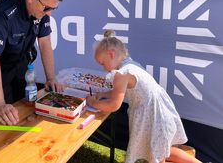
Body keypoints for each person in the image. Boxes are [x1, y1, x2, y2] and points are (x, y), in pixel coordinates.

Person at [86, 30, 202, 163]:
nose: (104, 69)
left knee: (156, 156)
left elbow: (113, 105)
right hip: (159, 113)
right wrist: (103, 94)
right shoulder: (130, 64)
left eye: (102, 63)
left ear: (111, 54)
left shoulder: (122, 74)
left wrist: (92, 103)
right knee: (163, 150)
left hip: (152, 118)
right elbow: (121, 92)